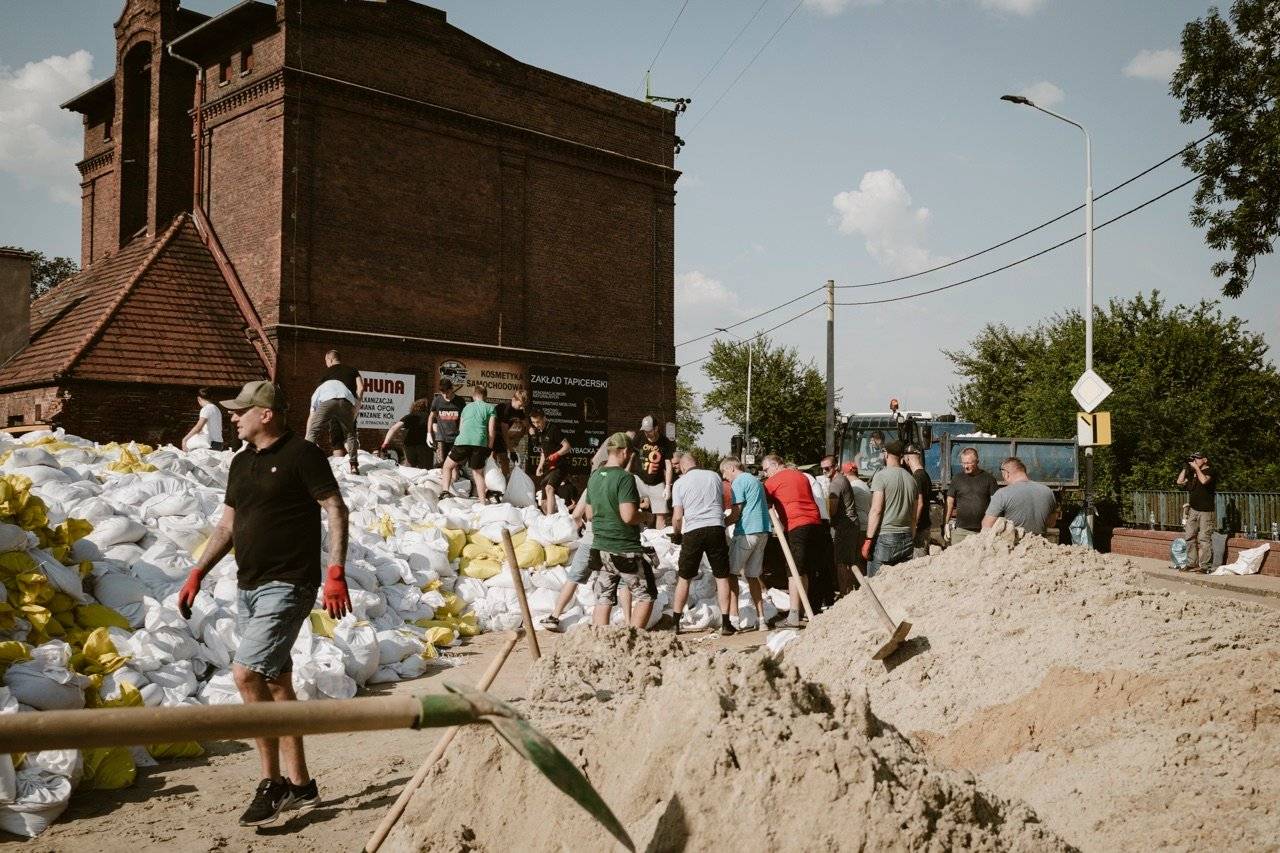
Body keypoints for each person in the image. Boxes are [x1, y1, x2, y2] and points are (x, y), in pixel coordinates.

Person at [176, 380, 351, 827]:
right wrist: (199, 571)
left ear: (265, 414)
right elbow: (227, 525)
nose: (232, 417)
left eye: (240, 411)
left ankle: (271, 783)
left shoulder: (302, 456)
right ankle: (301, 785)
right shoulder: (240, 463)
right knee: (275, 685)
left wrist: (335, 572)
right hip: (249, 586)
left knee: (245, 672)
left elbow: (335, 508)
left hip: (289, 583)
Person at [585, 432, 657, 628]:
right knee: (646, 595)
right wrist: (647, 516)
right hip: (625, 549)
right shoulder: (625, 478)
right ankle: (632, 641)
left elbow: (589, 514)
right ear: (624, 451)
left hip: (601, 548)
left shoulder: (594, 478)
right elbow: (628, 516)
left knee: (603, 598)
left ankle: (600, 643)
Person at [670, 452, 735, 636]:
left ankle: (675, 623)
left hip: (693, 531)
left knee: (685, 577)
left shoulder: (680, 483)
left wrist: (676, 534)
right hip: (716, 527)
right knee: (722, 576)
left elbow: (677, 516)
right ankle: (726, 623)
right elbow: (722, 504)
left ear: (683, 467)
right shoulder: (714, 476)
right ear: (696, 463)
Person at [761, 454, 823, 628]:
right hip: (815, 523)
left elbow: (763, 501)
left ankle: (794, 615)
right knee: (804, 569)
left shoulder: (772, 482)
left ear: (775, 465)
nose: (766, 474)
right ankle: (804, 610)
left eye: (766, 470)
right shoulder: (801, 475)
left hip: (797, 524)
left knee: (793, 570)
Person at [720, 456, 770, 630]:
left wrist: (721, 524)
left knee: (731, 573)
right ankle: (761, 619)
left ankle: (733, 618)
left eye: (724, 472)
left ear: (732, 468)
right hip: (762, 530)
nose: (725, 478)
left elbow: (736, 512)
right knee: (752, 576)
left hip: (746, 532)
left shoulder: (739, 482)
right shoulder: (755, 481)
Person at [862, 440, 921, 577]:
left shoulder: (881, 476)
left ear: (886, 454)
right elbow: (913, 516)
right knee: (900, 582)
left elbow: (876, 510)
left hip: (886, 537)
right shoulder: (912, 480)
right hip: (907, 536)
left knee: (876, 582)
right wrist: (910, 536)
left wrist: (868, 540)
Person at [305, 350, 362, 475]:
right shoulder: (352, 370)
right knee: (350, 434)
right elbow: (361, 388)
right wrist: (355, 410)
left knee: (315, 431)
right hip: (347, 403)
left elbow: (312, 416)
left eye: (326, 361)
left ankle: (305, 463)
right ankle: (353, 466)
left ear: (329, 360)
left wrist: (308, 435)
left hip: (328, 403)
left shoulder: (322, 382)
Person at [442, 385, 496, 502]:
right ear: (485, 396)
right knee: (477, 473)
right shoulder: (490, 408)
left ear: (473, 395)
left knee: (447, 466)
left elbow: (461, 428)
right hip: (480, 442)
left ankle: (445, 492)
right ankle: (482, 503)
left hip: (463, 441)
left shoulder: (466, 408)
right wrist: (489, 449)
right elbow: (491, 431)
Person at [982, 457, 1058, 536]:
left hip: (1014, 546)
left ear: (1006, 474)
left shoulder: (1002, 494)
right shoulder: (1048, 491)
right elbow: (1051, 523)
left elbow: (987, 525)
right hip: (1039, 545)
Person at [822, 455, 861, 595]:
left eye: (827, 468)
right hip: (850, 525)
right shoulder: (842, 480)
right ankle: (851, 593)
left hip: (843, 527)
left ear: (835, 467)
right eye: (822, 469)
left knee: (841, 563)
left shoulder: (836, 483)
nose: (824, 472)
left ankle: (846, 595)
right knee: (850, 562)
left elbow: (832, 509)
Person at [945, 448, 998, 546]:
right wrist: (946, 523)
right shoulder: (957, 478)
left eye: (969, 463)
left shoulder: (989, 479)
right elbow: (950, 501)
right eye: (963, 463)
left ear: (977, 462)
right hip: (961, 531)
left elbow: (996, 504)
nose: (965, 466)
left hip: (982, 532)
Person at [631, 416, 675, 529]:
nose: (647, 433)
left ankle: (659, 538)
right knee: (631, 505)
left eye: (649, 431)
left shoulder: (665, 442)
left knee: (661, 512)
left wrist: (668, 486)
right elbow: (631, 455)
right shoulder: (639, 437)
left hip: (657, 481)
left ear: (656, 428)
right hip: (639, 478)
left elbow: (668, 465)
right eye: (645, 431)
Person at [1176, 452, 1217, 573]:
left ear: (1205, 459)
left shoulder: (1211, 471)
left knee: (1204, 538)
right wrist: (1185, 467)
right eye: (1194, 458)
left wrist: (1197, 469)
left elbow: (1204, 481)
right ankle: (1191, 563)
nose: (1195, 460)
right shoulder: (1192, 473)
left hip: (1206, 511)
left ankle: (1205, 566)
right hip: (1193, 509)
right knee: (1189, 536)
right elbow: (1179, 481)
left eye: (1198, 458)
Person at [529, 408, 574, 515]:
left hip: (560, 465)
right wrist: (539, 466)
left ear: (544, 418)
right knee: (543, 500)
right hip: (549, 467)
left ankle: (551, 519)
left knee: (550, 488)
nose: (536, 425)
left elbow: (567, 446)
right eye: (534, 422)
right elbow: (544, 452)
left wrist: (557, 454)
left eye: (538, 422)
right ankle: (552, 516)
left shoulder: (553, 429)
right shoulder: (540, 432)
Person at [378, 399, 431, 468]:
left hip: (409, 445)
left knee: (409, 469)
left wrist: (385, 443)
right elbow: (435, 428)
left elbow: (393, 428)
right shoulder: (429, 417)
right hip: (424, 445)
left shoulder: (409, 416)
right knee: (426, 469)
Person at [426, 378, 464, 467]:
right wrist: (429, 433)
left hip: (455, 438)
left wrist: (462, 434)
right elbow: (431, 417)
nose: (445, 395)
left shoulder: (460, 401)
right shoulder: (437, 400)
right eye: (442, 393)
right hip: (441, 437)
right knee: (441, 463)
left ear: (451, 389)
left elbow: (464, 418)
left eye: (447, 392)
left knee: (454, 464)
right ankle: (442, 480)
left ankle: (454, 480)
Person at [904, 446, 933, 558]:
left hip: (920, 528)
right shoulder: (925, 475)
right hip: (925, 524)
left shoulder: (916, 477)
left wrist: (914, 525)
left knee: (919, 561)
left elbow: (919, 503)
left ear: (907, 459)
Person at [492, 389, 528, 478]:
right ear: (513, 400)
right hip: (493, 435)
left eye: (523, 406)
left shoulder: (519, 410)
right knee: (492, 459)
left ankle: (505, 482)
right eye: (520, 405)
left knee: (505, 460)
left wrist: (532, 433)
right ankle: (490, 484)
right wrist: (511, 450)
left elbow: (526, 423)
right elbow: (504, 432)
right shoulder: (505, 409)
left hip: (502, 437)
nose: (522, 408)